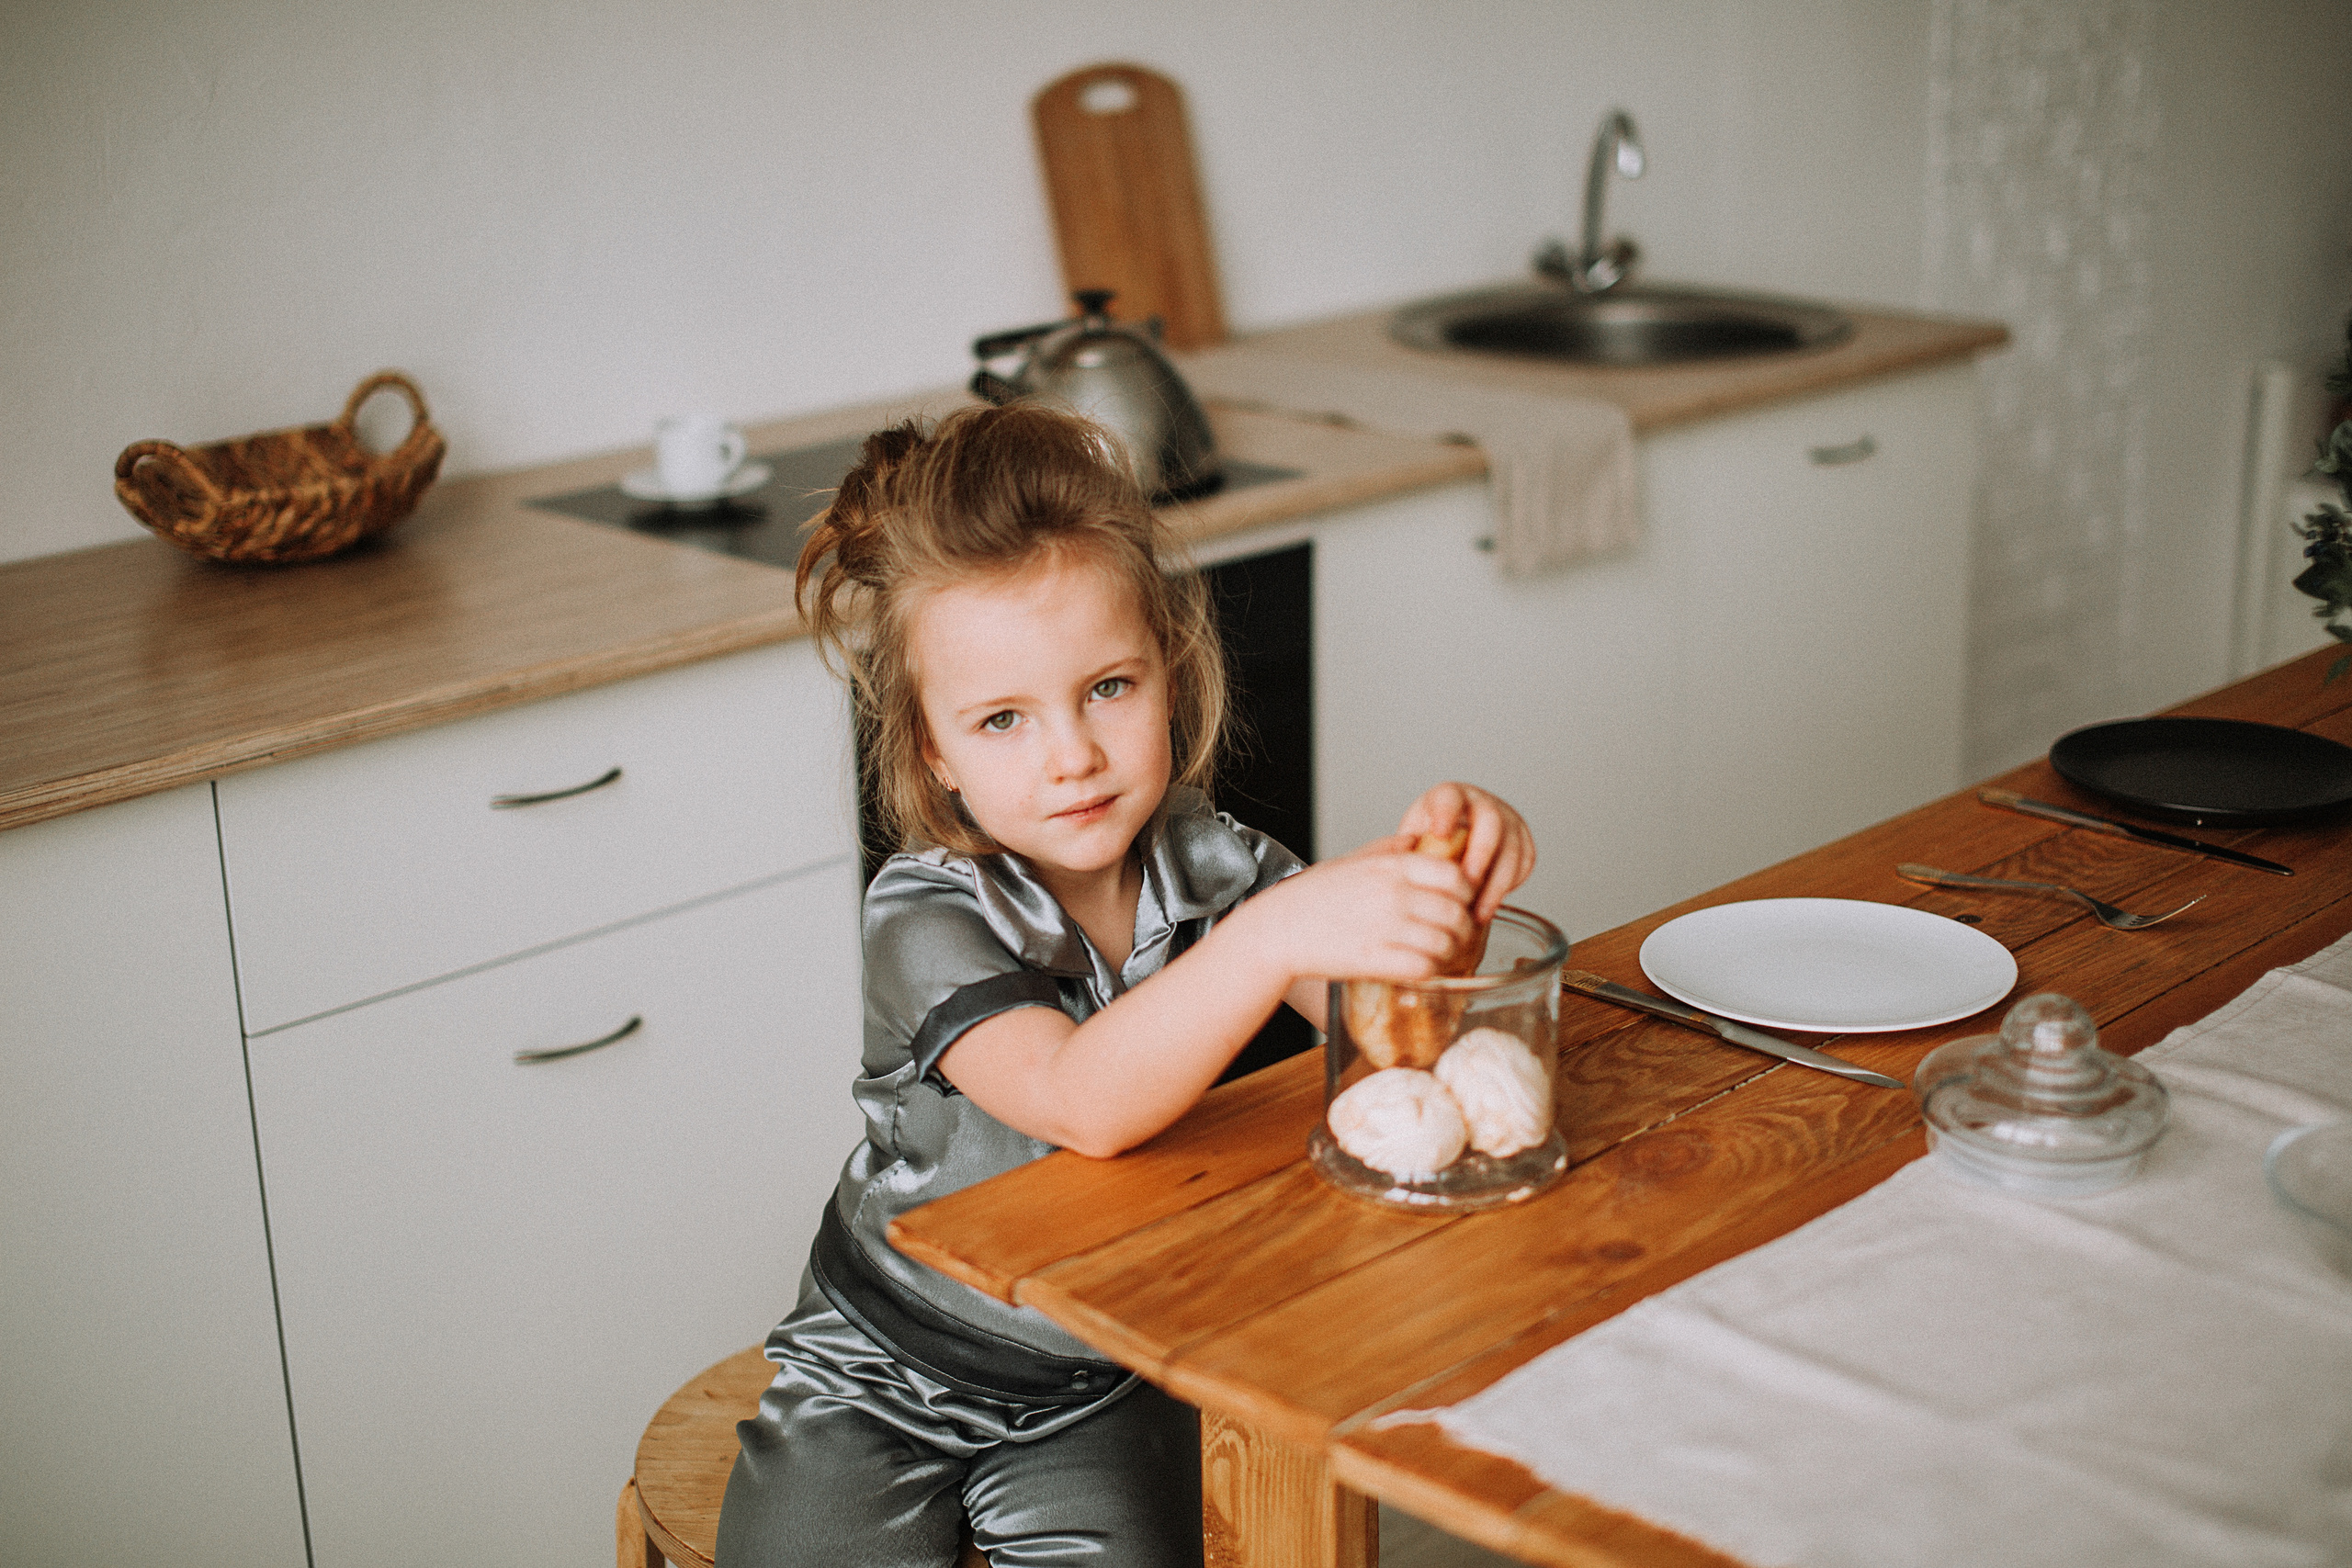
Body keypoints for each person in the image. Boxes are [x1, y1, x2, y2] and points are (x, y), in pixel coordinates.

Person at [716, 401, 1534, 1568]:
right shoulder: (924, 915)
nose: (1073, 755)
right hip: (882, 1375)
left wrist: (1448, 881)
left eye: (1108, 687)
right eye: (1002, 718)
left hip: (1103, 1370)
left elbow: (1391, 1035)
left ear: (1169, 666)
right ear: (934, 750)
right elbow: (1079, 1100)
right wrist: (1274, 936)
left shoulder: (1207, 859)